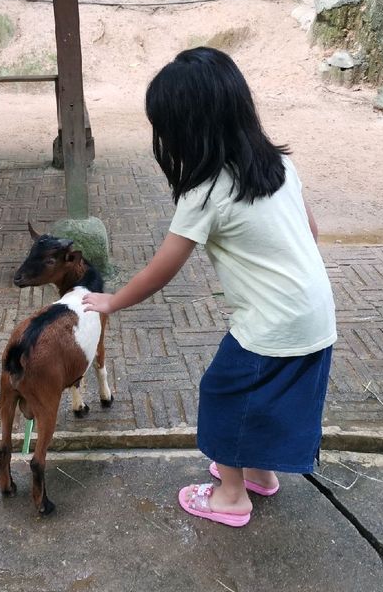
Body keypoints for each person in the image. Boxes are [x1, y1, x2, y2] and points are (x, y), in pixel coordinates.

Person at [82, 47, 337, 528]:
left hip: (271, 323)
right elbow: (313, 232)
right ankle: (260, 473)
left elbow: (162, 269)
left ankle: (231, 495)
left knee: (224, 393)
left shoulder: (207, 192)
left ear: (185, 131)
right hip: (316, 314)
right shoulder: (277, 166)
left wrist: (112, 300)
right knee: (265, 399)